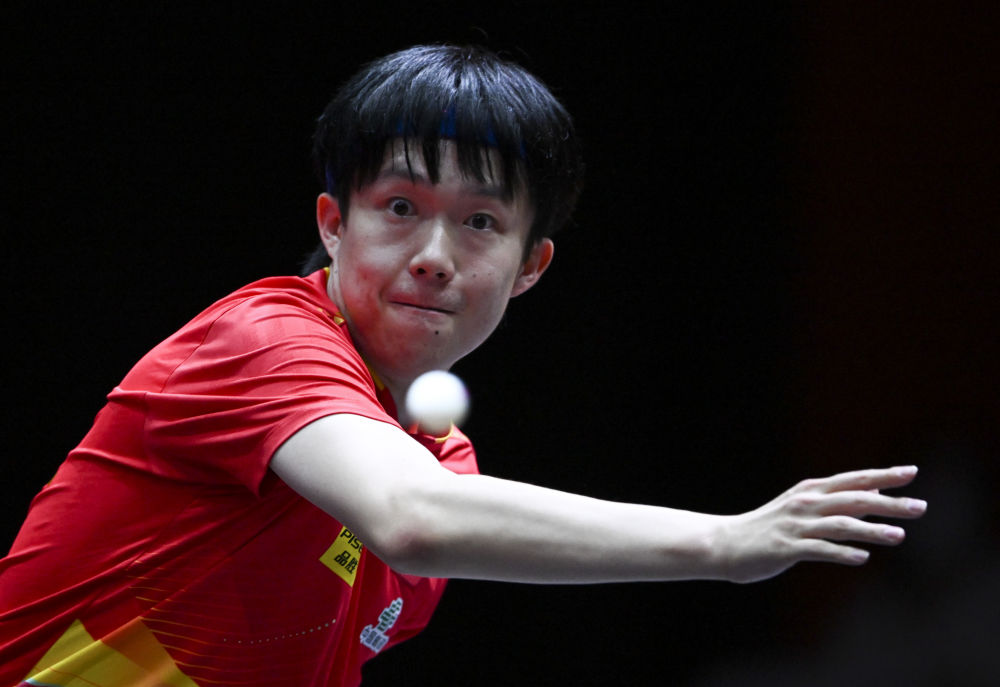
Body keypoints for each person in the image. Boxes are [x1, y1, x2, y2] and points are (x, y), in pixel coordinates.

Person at [0, 44, 926, 686]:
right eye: (400, 207)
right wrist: (725, 543)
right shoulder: (262, 340)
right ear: (334, 224)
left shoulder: (442, 465)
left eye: (480, 222)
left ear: (531, 267)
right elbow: (410, 517)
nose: (434, 255)